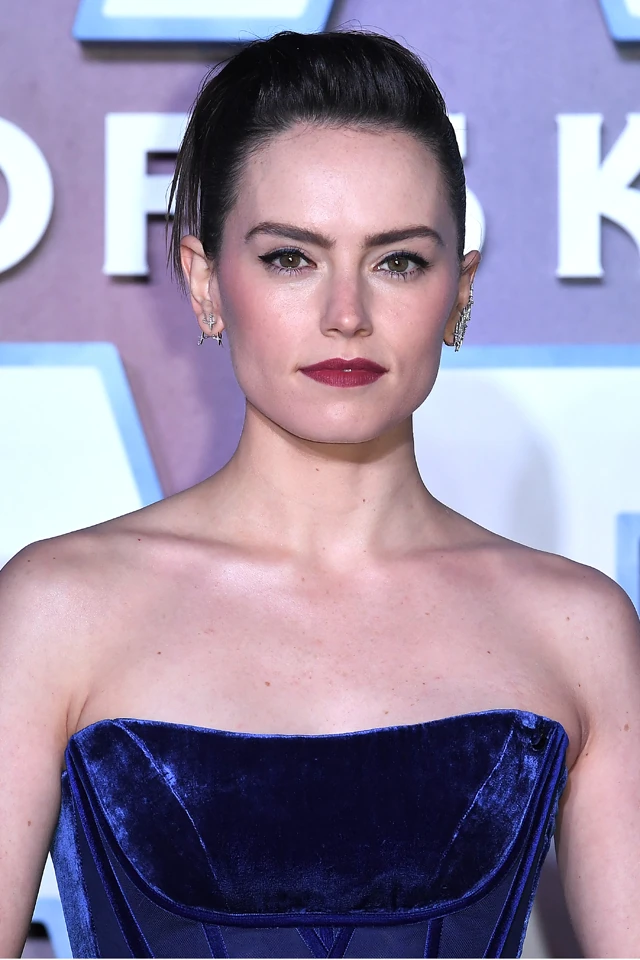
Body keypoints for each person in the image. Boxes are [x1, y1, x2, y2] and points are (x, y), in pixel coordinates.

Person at [0, 28, 639, 960]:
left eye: (398, 261)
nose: (347, 314)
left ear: (459, 292)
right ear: (205, 281)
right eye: (291, 258)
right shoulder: (56, 612)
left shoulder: (576, 630)